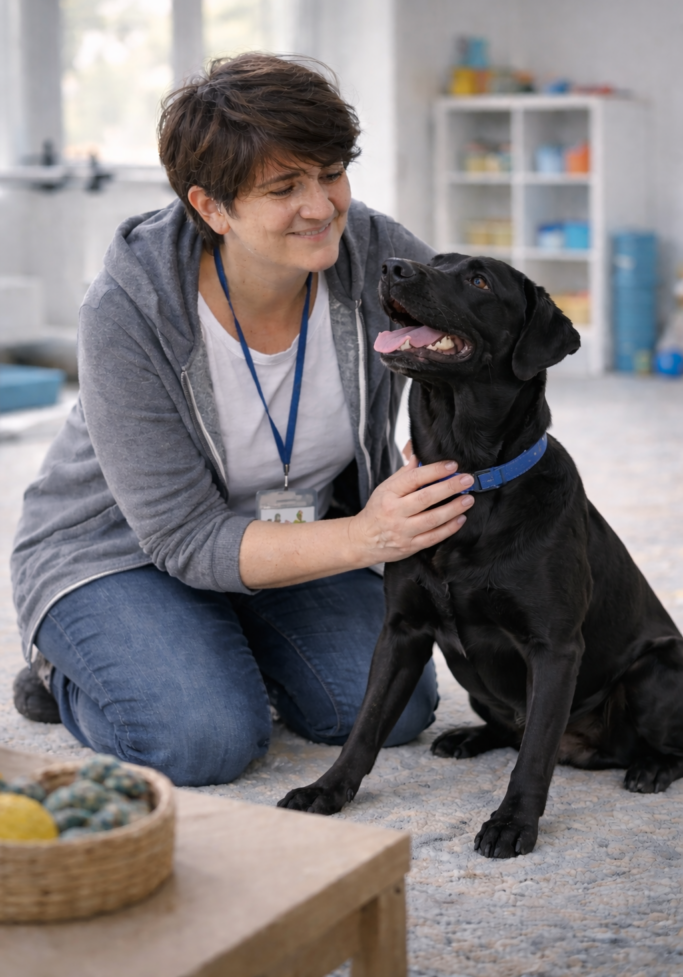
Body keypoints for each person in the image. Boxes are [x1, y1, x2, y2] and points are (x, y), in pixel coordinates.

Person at [10, 54, 474, 786]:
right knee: (203, 740)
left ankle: (214, 638)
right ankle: (66, 668)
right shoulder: (128, 310)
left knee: (388, 708)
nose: (321, 206)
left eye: (330, 173)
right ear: (210, 206)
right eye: (284, 187)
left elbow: (476, 333)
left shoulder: (377, 256)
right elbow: (182, 536)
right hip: (122, 550)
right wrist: (370, 536)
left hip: (294, 534)